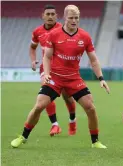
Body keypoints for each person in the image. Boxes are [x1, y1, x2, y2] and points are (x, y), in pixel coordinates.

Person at [11, 4, 110, 149]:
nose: (74, 20)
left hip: (74, 78)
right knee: (39, 106)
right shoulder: (54, 34)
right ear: (65, 18)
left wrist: (101, 79)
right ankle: (23, 136)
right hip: (55, 78)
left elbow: (93, 59)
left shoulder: (85, 36)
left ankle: (95, 142)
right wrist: (47, 74)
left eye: (76, 18)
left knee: (91, 108)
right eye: (71, 18)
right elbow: (47, 56)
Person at [30, 4, 77, 136]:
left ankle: (72, 120)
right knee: (45, 95)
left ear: (57, 16)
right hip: (46, 68)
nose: (50, 16)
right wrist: (33, 60)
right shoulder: (37, 32)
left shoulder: (63, 29)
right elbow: (32, 47)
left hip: (63, 70)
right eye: (48, 14)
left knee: (67, 98)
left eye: (53, 14)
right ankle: (55, 125)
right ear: (43, 16)